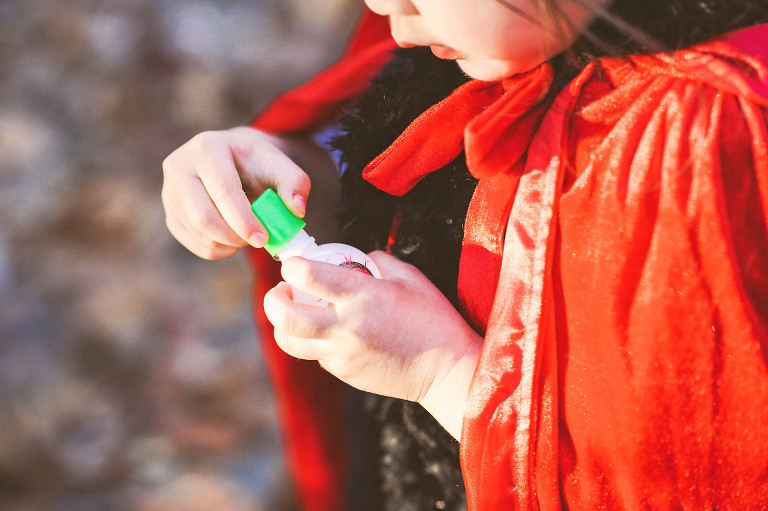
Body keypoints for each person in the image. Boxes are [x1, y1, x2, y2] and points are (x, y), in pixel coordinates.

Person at [161, 1, 768, 510]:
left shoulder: (706, 148)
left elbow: (679, 478)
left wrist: (442, 371)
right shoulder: (497, 33)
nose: (381, 6)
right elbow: (396, 174)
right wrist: (275, 170)